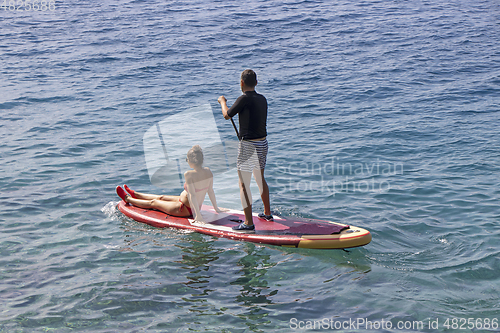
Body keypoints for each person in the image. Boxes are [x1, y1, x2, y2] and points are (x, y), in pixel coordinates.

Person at [217, 69, 273, 232]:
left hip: (248, 146)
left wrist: (222, 101)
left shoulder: (243, 98)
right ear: (256, 83)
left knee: (243, 184)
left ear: (241, 83)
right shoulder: (262, 99)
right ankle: (267, 213)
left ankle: (248, 223)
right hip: (263, 143)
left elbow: (227, 115)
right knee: (260, 178)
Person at [116, 145, 222, 222]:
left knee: (154, 203)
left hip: (186, 209)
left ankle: (127, 199)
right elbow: (210, 191)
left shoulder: (189, 174)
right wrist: (216, 208)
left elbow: (193, 195)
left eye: (187, 159)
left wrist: (197, 216)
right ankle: (136, 194)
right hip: (187, 203)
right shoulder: (208, 171)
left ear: (192, 161)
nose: (187, 161)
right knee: (161, 197)